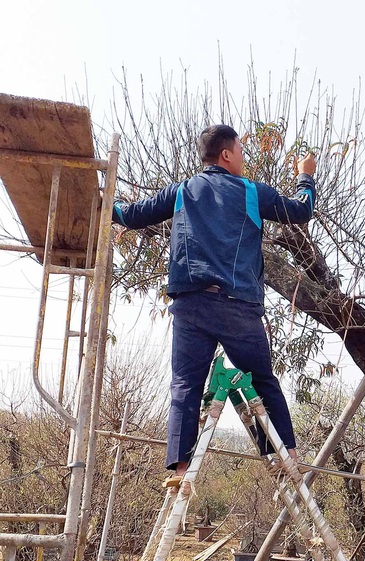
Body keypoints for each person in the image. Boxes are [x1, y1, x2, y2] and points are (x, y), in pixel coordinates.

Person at [112, 124, 316, 481]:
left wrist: (101, 203)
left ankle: (180, 468)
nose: (242, 156)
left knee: (185, 385)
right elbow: (301, 211)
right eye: (240, 150)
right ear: (226, 154)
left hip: (192, 307)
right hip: (238, 307)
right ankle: (287, 456)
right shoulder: (251, 192)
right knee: (263, 380)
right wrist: (305, 176)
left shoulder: (182, 191)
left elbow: (131, 214)